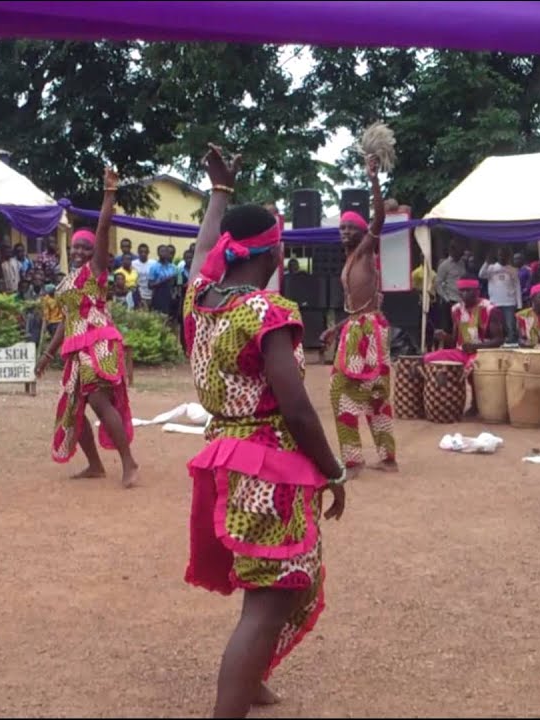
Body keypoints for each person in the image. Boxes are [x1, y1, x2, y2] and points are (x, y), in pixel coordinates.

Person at [183, 144, 346, 718]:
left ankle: (252, 681)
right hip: (266, 467)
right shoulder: (267, 311)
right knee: (270, 600)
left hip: (225, 456)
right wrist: (336, 470)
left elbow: (204, 247)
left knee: (274, 585)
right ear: (275, 251)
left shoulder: (201, 298)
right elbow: (298, 410)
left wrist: (219, 193)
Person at [35, 170, 138, 489]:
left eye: (85, 247)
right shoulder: (67, 282)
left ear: (94, 253)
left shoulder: (97, 272)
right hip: (75, 349)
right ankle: (95, 465)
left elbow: (103, 226)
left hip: (100, 343)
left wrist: (109, 191)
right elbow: (67, 321)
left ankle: (129, 462)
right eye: (76, 247)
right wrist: (47, 355)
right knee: (71, 408)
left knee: (97, 401)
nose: (79, 251)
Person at [320, 154, 396, 476]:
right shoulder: (351, 261)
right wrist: (336, 327)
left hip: (368, 331)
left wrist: (374, 179)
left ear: (363, 232)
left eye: (351, 226)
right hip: (360, 326)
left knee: (342, 390)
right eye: (342, 227)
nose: (345, 231)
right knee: (375, 393)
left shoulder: (366, 250)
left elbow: (378, 217)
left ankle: (353, 461)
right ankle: (387, 458)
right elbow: (360, 307)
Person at [427, 276, 503, 414]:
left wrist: (476, 347)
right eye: (461, 291)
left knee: (471, 365)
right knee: (428, 359)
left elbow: (498, 340)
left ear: (477, 291)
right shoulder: (456, 309)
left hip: (483, 353)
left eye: (468, 291)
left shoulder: (490, 309)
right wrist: (445, 336)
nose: (464, 294)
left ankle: (476, 404)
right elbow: (455, 340)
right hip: (462, 352)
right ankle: (435, 401)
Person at [479, 246, 522, 344]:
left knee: (510, 327)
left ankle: (511, 346)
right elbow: (481, 275)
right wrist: (486, 262)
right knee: (496, 327)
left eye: (504, 255)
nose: (502, 257)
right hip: (494, 302)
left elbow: (517, 287)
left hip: (509, 302)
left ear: (508, 257)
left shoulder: (513, 270)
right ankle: (498, 345)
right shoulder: (491, 268)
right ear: (497, 256)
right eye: (500, 255)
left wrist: (519, 304)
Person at [432, 241, 466, 339]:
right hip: (451, 300)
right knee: (449, 327)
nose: (460, 255)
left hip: (462, 300)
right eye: (459, 253)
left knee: (462, 324)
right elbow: (438, 283)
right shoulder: (444, 265)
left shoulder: (462, 263)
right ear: (452, 251)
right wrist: (446, 298)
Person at [148, 244, 180, 318]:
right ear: (158, 253)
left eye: (166, 251)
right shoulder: (154, 267)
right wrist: (164, 281)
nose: (164, 253)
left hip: (170, 297)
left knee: (170, 319)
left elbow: (178, 283)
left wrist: (175, 293)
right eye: (161, 251)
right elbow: (150, 285)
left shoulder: (173, 267)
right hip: (159, 296)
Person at [133, 242, 153, 309]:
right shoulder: (133, 264)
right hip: (140, 294)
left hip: (151, 294)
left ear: (148, 252)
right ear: (138, 252)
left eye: (145, 252)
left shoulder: (153, 263)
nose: (143, 254)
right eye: (141, 252)